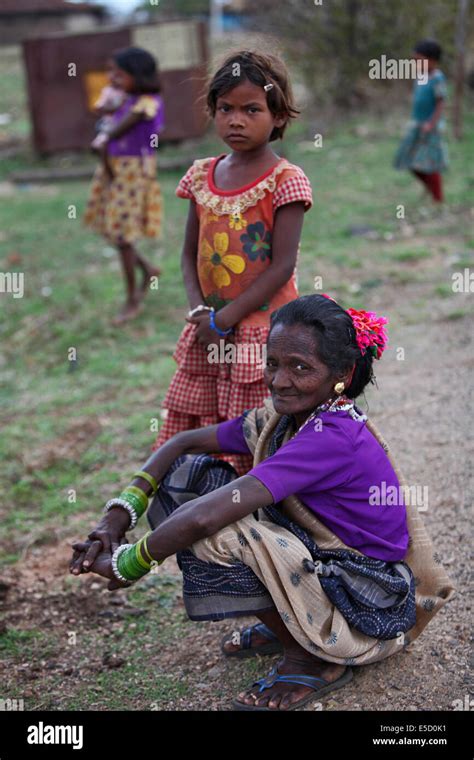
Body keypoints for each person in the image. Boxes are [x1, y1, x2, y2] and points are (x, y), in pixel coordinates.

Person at [70, 294, 455, 712]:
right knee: (188, 477)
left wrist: (129, 563)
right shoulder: (290, 419)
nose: (279, 380)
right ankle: (294, 622)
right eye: (273, 363)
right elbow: (182, 442)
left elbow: (203, 521)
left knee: (214, 531)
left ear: (342, 374)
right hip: (325, 563)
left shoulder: (329, 437)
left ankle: (312, 659)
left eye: (300, 368)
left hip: (366, 597)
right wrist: (117, 515)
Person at [152, 50, 313, 477]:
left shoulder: (285, 180)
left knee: (253, 430)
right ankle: (200, 503)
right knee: (203, 419)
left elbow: (281, 266)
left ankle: (259, 516)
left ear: (278, 117)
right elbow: (188, 254)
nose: (236, 120)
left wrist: (225, 319)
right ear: (213, 111)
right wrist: (201, 313)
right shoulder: (202, 175)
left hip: (261, 332)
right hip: (207, 329)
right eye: (225, 109)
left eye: (251, 109)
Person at [84, 47, 165, 325]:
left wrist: (105, 129)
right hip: (114, 170)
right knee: (112, 231)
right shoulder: (126, 99)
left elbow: (112, 133)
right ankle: (147, 269)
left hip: (131, 173)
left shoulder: (146, 104)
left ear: (138, 75)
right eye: (111, 72)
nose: (112, 78)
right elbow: (104, 118)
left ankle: (132, 299)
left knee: (121, 236)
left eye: (119, 73)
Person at [394, 39, 448, 203]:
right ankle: (429, 187)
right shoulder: (421, 76)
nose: (416, 63)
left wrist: (431, 123)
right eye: (414, 60)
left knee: (429, 164)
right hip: (417, 124)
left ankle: (438, 199)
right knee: (408, 159)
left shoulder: (437, 78)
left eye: (419, 60)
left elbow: (440, 102)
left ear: (432, 60)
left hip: (430, 127)